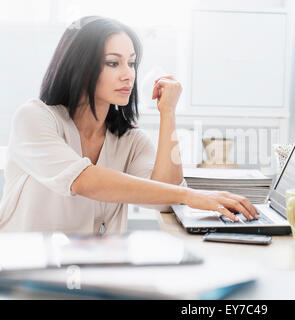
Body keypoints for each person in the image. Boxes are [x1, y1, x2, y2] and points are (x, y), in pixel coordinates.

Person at [0, 16, 258, 234]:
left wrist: (168, 112)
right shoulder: (34, 118)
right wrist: (191, 196)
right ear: (80, 68)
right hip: (25, 279)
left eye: (131, 63)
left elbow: (165, 202)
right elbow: (84, 181)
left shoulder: (129, 140)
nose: (128, 74)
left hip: (93, 277)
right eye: (113, 63)